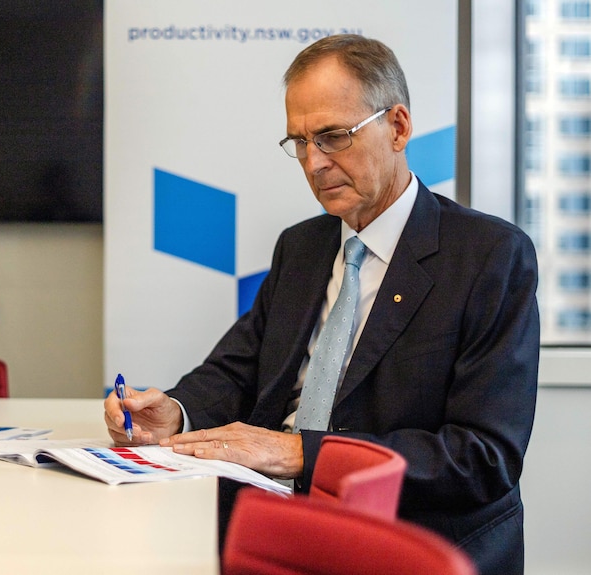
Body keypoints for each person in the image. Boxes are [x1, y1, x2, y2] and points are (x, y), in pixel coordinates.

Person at [104, 34, 539, 575]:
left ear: (398, 127)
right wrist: (176, 411)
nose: (313, 163)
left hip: (404, 539)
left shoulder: (488, 256)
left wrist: (303, 453)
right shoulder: (302, 245)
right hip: (268, 520)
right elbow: (236, 369)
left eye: (333, 137)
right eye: (300, 142)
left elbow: (481, 457)